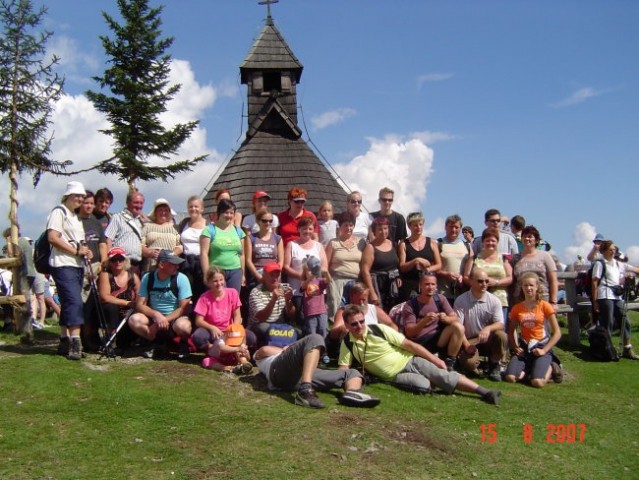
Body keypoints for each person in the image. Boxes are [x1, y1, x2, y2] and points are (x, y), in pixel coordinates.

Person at [338, 305, 501, 405]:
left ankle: (485, 392)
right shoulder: (347, 343)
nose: (359, 326)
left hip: (411, 360)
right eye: (354, 324)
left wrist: (435, 359)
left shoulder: (378, 329)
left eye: (361, 321)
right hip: (394, 376)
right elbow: (343, 368)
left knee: (442, 374)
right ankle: (434, 381)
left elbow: (409, 345)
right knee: (422, 386)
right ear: (347, 325)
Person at [254, 332, 381, 409]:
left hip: (303, 375)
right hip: (279, 373)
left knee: (351, 372)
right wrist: (288, 350)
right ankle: (305, 391)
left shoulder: (299, 358)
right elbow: (264, 350)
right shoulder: (266, 356)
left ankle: (352, 393)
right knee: (315, 338)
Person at [46, 181, 93, 360]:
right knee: (75, 301)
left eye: (82, 196)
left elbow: (79, 242)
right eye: (77, 196)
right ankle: (75, 342)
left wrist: (85, 251)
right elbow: (53, 237)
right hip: (62, 263)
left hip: (76, 265)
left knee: (68, 303)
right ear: (68, 196)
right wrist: (75, 251)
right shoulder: (59, 212)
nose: (80, 199)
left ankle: (64, 340)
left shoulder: (75, 217)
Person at [128, 250, 193, 358]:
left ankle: (182, 343)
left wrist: (164, 320)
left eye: (177, 264)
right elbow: (140, 304)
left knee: (183, 327)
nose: (177, 267)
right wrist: (156, 315)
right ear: (161, 264)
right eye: (173, 264)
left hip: (174, 319)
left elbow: (183, 308)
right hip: (154, 318)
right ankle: (154, 342)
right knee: (134, 320)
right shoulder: (148, 278)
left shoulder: (181, 278)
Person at [506, 272, 563, 387]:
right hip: (525, 347)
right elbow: (510, 331)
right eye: (525, 285)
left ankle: (551, 366)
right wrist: (515, 347)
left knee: (537, 382)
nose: (528, 288)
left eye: (531, 285)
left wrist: (544, 350)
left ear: (537, 287)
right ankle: (530, 369)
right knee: (510, 377)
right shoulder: (517, 308)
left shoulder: (545, 306)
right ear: (521, 287)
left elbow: (557, 333)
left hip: (541, 347)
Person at [400, 272, 464, 371]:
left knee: (458, 327)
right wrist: (424, 321)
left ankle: (450, 361)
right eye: (427, 284)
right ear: (420, 285)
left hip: (437, 338)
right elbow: (409, 332)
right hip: (420, 342)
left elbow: (455, 318)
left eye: (433, 284)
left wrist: (446, 318)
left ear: (436, 286)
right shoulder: (410, 305)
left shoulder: (440, 299)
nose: (430, 287)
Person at [454, 268, 507, 381]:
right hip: (470, 340)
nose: (484, 284)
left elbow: (501, 324)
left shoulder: (494, 301)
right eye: (480, 281)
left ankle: (495, 365)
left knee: (502, 335)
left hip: (488, 339)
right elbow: (458, 328)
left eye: (486, 281)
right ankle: (476, 366)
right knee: (470, 364)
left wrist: (488, 328)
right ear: (471, 281)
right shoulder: (461, 300)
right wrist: (467, 345)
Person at [591, 240, 639, 359]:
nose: (613, 251)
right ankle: (607, 349)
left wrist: (631, 276)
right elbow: (594, 282)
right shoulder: (600, 263)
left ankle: (627, 348)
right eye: (610, 249)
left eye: (614, 249)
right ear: (604, 251)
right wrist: (595, 301)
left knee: (625, 319)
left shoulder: (618, 264)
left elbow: (634, 269)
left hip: (616, 295)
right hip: (605, 294)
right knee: (608, 323)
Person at [192, 266, 256, 355]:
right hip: (213, 331)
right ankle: (211, 349)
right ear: (209, 282)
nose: (219, 283)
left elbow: (237, 315)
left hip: (229, 330)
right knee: (198, 336)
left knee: (251, 337)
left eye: (221, 280)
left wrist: (234, 329)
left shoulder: (232, 293)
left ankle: (231, 349)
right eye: (215, 281)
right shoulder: (204, 298)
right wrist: (212, 328)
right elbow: (198, 321)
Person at [283, 216, 327, 318]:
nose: (307, 231)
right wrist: (302, 277)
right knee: (299, 318)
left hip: (315, 289)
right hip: (297, 289)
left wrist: (313, 278)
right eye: (304, 228)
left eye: (310, 229)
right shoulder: (291, 245)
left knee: (315, 318)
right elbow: (286, 267)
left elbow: (324, 267)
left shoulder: (318, 246)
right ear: (298, 229)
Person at [464, 228, 512, 319]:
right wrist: (478, 284)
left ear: (497, 242)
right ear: (483, 242)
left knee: (499, 332)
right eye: (487, 241)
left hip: (500, 302)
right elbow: (466, 277)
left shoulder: (503, 259)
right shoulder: (474, 259)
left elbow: (510, 278)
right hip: (478, 301)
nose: (490, 243)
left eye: (493, 241)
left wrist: (496, 282)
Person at [325, 212, 366, 320]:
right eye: (345, 225)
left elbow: (365, 264)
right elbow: (325, 266)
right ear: (340, 226)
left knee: (356, 312)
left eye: (351, 225)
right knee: (337, 312)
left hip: (355, 282)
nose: (348, 228)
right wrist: (329, 283)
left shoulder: (361, 243)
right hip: (337, 281)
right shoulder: (333, 243)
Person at [200, 198, 246, 294]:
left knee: (233, 302)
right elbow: (204, 254)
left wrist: (243, 274)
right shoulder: (209, 230)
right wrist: (206, 275)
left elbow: (242, 255)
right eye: (226, 212)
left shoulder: (239, 231)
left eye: (231, 213)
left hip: (235, 272)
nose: (229, 215)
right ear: (219, 213)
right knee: (217, 301)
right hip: (216, 273)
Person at [97, 246, 139, 349]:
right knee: (111, 307)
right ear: (109, 262)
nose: (118, 262)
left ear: (125, 261)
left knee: (124, 343)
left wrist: (136, 304)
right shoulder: (106, 275)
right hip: (113, 312)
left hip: (128, 314)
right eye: (114, 259)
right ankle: (110, 337)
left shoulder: (133, 277)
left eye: (120, 259)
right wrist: (127, 303)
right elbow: (105, 297)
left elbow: (141, 295)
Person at [329, 282, 398, 343]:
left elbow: (391, 324)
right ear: (351, 298)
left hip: (376, 342)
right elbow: (333, 333)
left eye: (364, 300)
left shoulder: (373, 309)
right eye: (358, 300)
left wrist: (391, 334)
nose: (361, 303)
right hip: (355, 345)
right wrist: (346, 327)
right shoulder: (343, 311)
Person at [248, 262, 296, 346]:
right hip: (260, 325)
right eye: (272, 275)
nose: (275, 279)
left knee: (297, 331)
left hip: (279, 325)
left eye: (277, 276)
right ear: (264, 276)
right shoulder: (256, 292)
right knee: (265, 328)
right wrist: (273, 300)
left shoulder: (284, 288)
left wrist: (288, 301)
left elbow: (292, 316)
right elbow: (261, 318)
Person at [398, 212, 441, 301]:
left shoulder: (432, 242)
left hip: (428, 284)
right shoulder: (403, 244)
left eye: (420, 224)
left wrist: (426, 270)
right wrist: (416, 261)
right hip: (409, 285)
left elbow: (439, 265)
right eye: (415, 225)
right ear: (409, 226)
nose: (419, 227)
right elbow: (402, 267)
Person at [361, 217, 401, 311]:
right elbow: (365, 271)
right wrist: (372, 292)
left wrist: (398, 277)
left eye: (385, 228)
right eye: (380, 229)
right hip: (378, 285)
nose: (383, 231)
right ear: (374, 231)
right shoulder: (370, 247)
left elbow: (395, 265)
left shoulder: (392, 244)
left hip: (392, 286)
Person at [513, 225, 558, 309]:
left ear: (536, 240)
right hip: (520, 299)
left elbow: (553, 280)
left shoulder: (545, 256)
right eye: (524, 236)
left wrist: (553, 302)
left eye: (530, 236)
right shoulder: (515, 258)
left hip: (542, 297)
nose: (526, 239)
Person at [105, 191, 145, 275]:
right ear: (127, 203)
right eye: (136, 202)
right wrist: (109, 260)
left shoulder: (140, 221)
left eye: (141, 203)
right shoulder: (118, 217)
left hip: (136, 265)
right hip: (120, 263)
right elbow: (109, 239)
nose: (139, 206)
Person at [436, 214, 472, 305]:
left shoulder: (467, 246)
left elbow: (471, 269)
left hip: (462, 295)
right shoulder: (438, 244)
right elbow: (432, 268)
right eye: (451, 227)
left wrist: (463, 278)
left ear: (460, 228)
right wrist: (446, 274)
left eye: (456, 227)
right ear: (445, 227)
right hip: (441, 295)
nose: (453, 230)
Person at [177, 195, 207, 303]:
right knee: (186, 293)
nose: (193, 209)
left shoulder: (208, 225)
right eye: (190, 207)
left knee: (201, 292)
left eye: (196, 206)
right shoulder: (183, 224)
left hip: (201, 263)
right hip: (185, 263)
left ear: (202, 208)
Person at [245, 208, 283, 290]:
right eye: (264, 220)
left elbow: (281, 261)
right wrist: (259, 277)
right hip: (257, 276)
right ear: (258, 221)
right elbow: (248, 260)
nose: (268, 223)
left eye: (270, 221)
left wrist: (275, 276)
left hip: (274, 276)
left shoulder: (277, 238)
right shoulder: (251, 238)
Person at [141, 198, 181, 274]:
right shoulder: (146, 226)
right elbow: (141, 245)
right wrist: (149, 252)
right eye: (160, 210)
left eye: (166, 210)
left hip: (170, 264)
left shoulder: (175, 227)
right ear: (155, 212)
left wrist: (170, 255)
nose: (163, 212)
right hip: (151, 265)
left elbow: (179, 246)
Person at [299, 257, 330, 349]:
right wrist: (309, 278)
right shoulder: (304, 282)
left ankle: (324, 352)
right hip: (310, 313)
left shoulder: (320, 281)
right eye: (308, 270)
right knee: (311, 333)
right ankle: (311, 351)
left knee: (323, 330)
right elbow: (303, 287)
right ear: (304, 272)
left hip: (321, 311)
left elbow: (328, 281)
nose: (311, 272)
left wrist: (326, 273)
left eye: (312, 270)